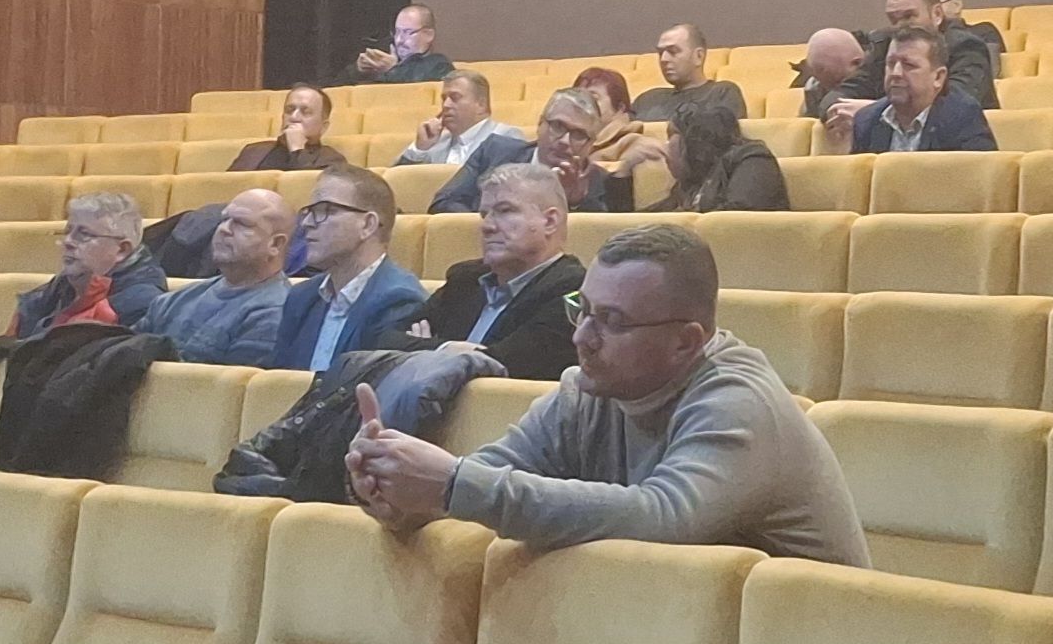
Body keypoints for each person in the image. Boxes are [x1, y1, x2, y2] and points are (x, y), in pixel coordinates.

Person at [344, 224, 871, 565]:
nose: (582, 337)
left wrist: (452, 484)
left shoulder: (738, 401)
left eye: (613, 321)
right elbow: (489, 474)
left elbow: (664, 518)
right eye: (583, 309)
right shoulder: (586, 389)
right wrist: (398, 493)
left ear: (686, 342)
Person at [379, 164, 584, 381]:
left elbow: (504, 365)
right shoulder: (465, 280)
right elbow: (385, 340)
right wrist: (446, 348)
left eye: (505, 211)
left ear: (550, 222)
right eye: (484, 214)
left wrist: (423, 350)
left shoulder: (575, 291)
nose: (487, 226)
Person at [270, 166, 427, 371]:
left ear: (367, 225)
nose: (306, 223)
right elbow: (280, 380)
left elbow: (369, 386)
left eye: (325, 210)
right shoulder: (301, 297)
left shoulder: (400, 301)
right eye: (309, 212)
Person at [132, 190, 294, 367]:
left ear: (275, 244)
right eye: (224, 220)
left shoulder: (275, 313)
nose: (224, 229)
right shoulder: (170, 302)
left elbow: (230, 383)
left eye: (242, 224)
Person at [826, 0, 999, 133]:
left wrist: (871, 112)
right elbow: (835, 97)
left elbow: (957, 105)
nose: (900, 26)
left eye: (909, 16)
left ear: (937, 14)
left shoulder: (966, 46)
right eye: (893, 19)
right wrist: (842, 111)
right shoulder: (885, 46)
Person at [428, 88, 616, 214]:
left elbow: (599, 241)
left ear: (591, 144)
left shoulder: (601, 181)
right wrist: (495, 221)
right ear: (540, 124)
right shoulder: (494, 152)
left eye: (579, 135)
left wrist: (576, 203)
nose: (565, 141)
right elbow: (442, 203)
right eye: (558, 126)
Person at [10, 193, 167, 337]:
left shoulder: (141, 306)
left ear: (121, 250)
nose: (68, 241)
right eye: (68, 231)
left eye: (84, 234)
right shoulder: (53, 292)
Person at [831, 26, 997, 154]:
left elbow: (977, 183)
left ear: (938, 77)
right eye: (891, 64)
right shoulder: (867, 120)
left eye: (909, 65)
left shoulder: (962, 117)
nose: (896, 73)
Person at [609, 105, 790, 211]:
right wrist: (624, 170)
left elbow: (736, 221)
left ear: (693, 141)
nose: (665, 146)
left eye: (670, 138)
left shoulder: (752, 160)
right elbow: (635, 226)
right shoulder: (687, 187)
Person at [394, 70, 524, 166]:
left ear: (481, 104)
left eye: (455, 97)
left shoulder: (505, 136)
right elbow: (400, 183)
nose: (446, 105)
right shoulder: (435, 141)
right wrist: (420, 148)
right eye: (444, 98)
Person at [631, 24, 748, 121]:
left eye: (673, 51)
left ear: (698, 56)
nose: (664, 59)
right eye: (661, 53)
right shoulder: (647, 99)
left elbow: (725, 136)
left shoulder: (722, 93)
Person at [227, 84, 347, 171]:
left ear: (324, 126)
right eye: (289, 110)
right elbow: (228, 189)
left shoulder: (331, 159)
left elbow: (307, 189)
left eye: (305, 112)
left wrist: (297, 150)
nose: (294, 117)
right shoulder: (252, 151)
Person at [333, 4, 455, 86]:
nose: (399, 40)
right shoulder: (382, 63)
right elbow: (333, 92)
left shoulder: (439, 66)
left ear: (428, 35)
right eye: (397, 32)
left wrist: (393, 70)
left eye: (407, 32)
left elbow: (416, 96)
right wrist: (357, 70)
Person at [572, 67, 658, 162]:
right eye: (578, 99)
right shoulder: (565, 145)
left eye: (593, 99)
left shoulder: (637, 147)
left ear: (620, 108)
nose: (582, 105)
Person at [800, 28, 867, 121]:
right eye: (827, 87)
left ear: (858, 63)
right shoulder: (814, 88)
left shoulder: (882, 73)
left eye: (839, 82)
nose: (834, 92)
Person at [931, 0, 1007, 54]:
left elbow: (992, 61)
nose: (930, 11)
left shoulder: (984, 33)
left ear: (957, 5)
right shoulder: (923, 40)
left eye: (936, 4)